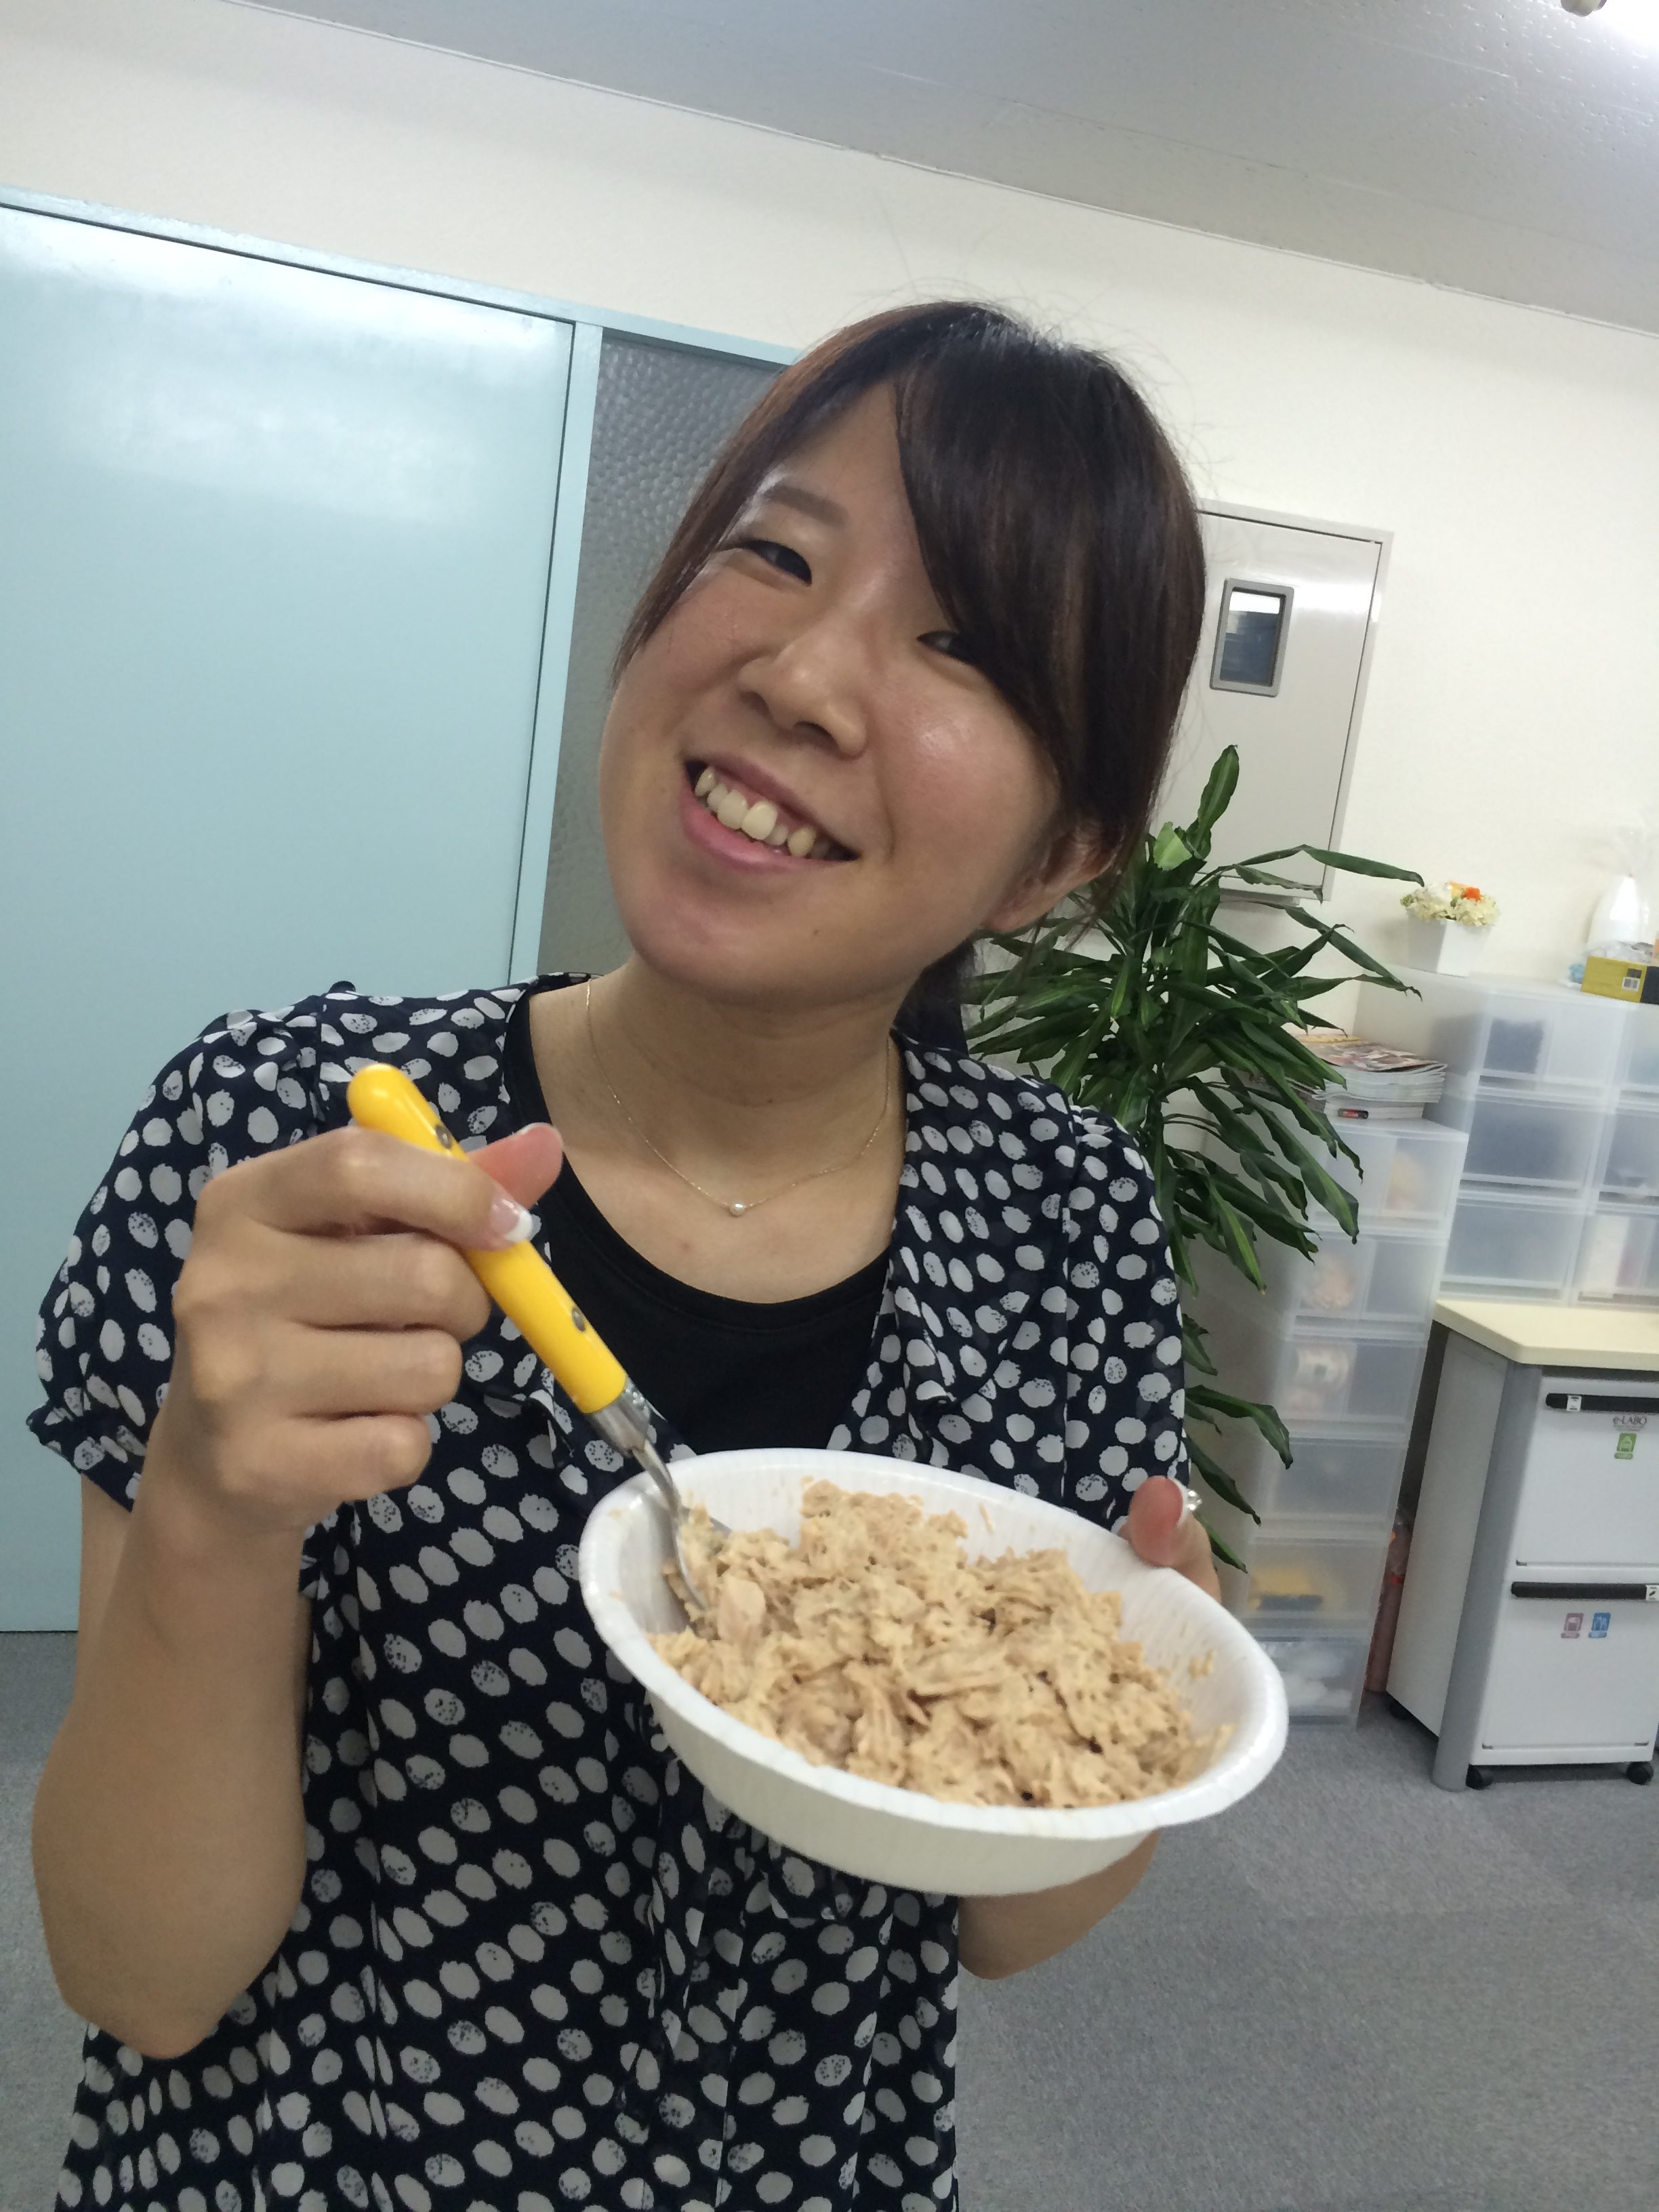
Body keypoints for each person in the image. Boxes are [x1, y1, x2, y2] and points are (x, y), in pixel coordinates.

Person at [29, 300, 1215, 2212]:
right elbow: (139, 1978)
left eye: (959, 645)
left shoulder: (1067, 1223)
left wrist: (1136, 1703)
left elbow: (1011, 1928)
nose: (803, 677)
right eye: (776, 554)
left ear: (1057, 854)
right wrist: (209, 1515)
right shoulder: (295, 1140)